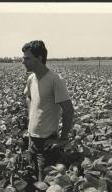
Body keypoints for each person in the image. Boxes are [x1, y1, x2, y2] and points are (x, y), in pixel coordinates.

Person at [22, 40, 74, 182]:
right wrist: (31, 115)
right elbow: (29, 97)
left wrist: (63, 139)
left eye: (27, 58)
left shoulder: (55, 80)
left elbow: (69, 110)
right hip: (32, 138)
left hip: (47, 142)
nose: (23, 61)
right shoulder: (31, 79)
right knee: (34, 176)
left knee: (45, 182)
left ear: (39, 58)